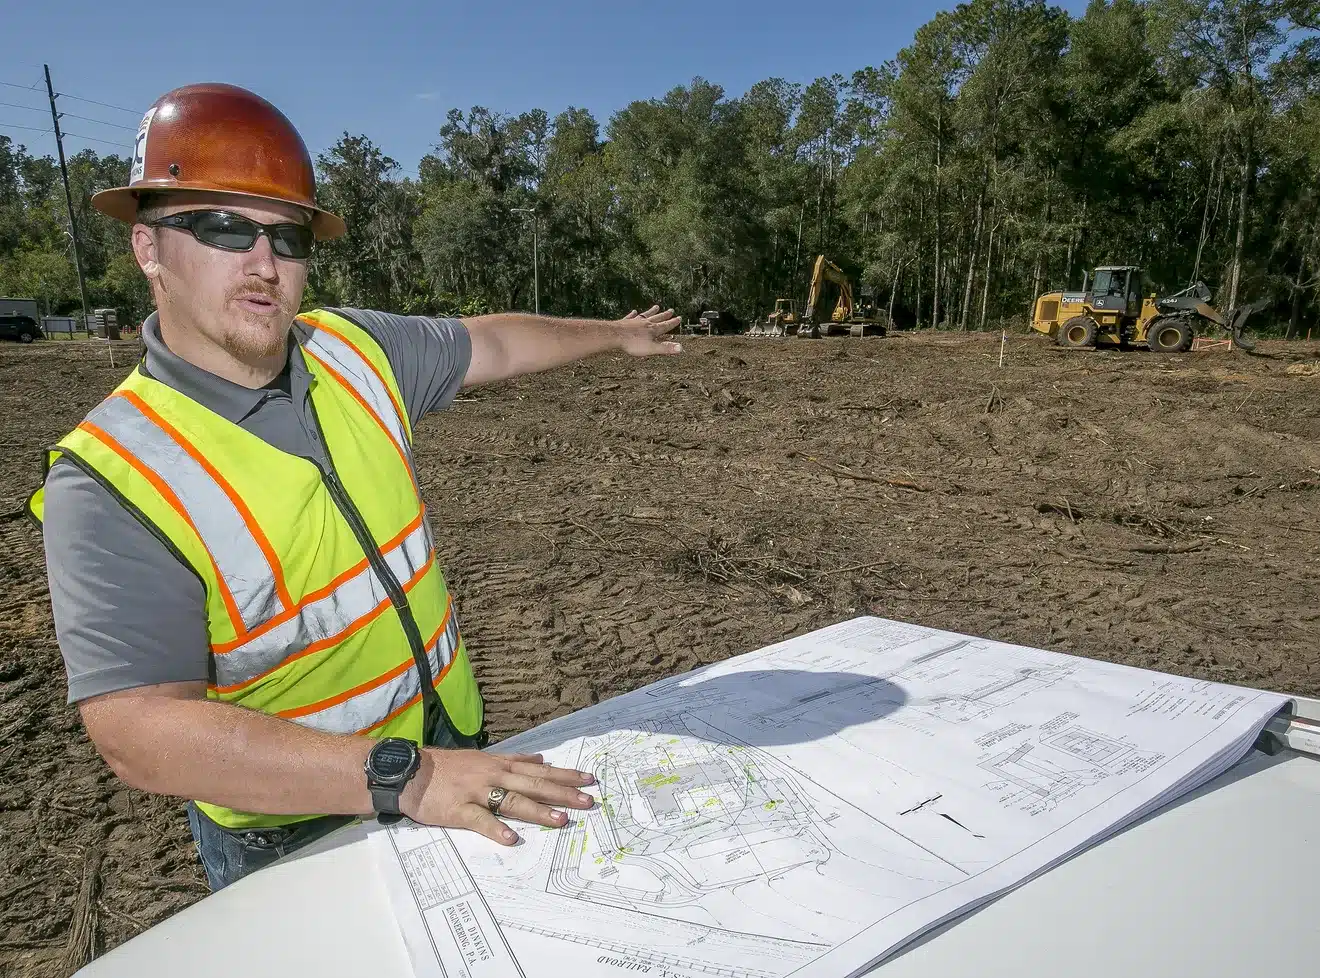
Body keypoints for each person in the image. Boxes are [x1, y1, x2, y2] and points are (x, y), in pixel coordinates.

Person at [25, 82, 683, 892]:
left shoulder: (353, 348)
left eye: (288, 237)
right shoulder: (112, 477)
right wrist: (405, 777)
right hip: (294, 832)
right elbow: (139, 731)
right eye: (224, 228)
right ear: (148, 247)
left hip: (452, 748)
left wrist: (615, 335)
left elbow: (494, 344)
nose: (265, 265)